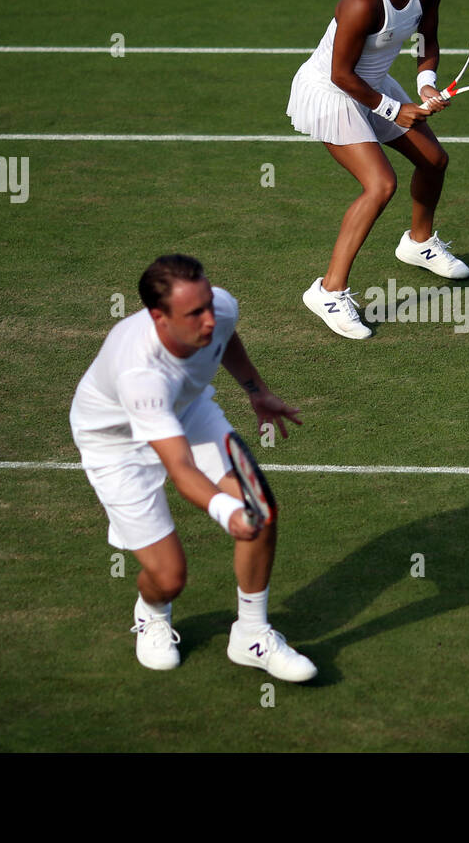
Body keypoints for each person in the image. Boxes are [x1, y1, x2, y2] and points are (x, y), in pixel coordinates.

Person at [69, 254, 315, 680]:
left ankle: (251, 635)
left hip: (187, 410)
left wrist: (257, 391)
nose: (209, 317)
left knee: (261, 511)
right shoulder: (140, 373)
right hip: (117, 444)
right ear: (158, 318)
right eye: (194, 312)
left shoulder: (218, 308)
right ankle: (151, 612)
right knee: (169, 578)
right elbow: (181, 468)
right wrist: (226, 511)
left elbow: (226, 337)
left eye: (208, 304)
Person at [288, 0, 469, 339]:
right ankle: (328, 292)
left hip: (372, 83)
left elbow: (427, 40)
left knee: (434, 160)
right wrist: (395, 109)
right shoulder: (359, 1)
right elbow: (341, 74)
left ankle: (419, 243)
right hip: (332, 91)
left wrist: (426, 82)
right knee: (380, 184)